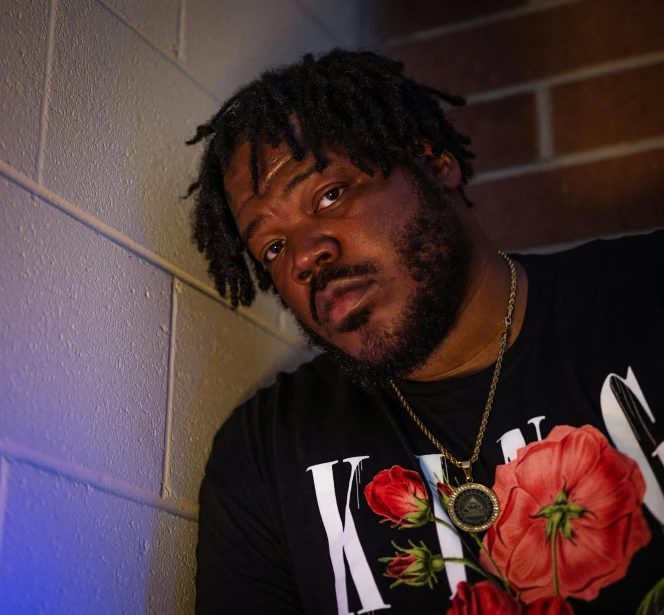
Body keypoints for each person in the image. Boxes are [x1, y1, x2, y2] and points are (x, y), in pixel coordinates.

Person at [186, 49, 664, 615]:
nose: (305, 257)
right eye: (271, 248)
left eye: (330, 194)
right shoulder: (264, 457)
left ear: (435, 162)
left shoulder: (647, 294)